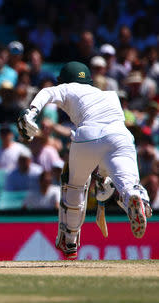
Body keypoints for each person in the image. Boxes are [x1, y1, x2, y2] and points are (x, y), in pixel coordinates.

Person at [17, 61, 151, 260]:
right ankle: (135, 197)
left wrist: (32, 112)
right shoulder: (108, 94)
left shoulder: (67, 87)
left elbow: (47, 92)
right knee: (128, 181)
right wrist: (104, 175)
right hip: (121, 135)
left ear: (64, 79)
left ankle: (70, 241)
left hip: (87, 134)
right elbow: (106, 141)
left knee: (75, 184)